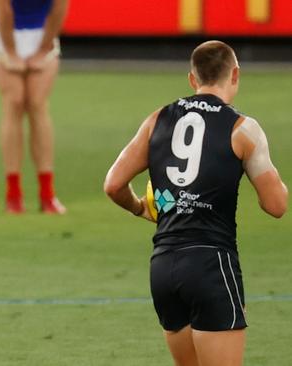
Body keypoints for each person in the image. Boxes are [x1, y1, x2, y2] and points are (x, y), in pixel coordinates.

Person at [104, 40, 287, 366]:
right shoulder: (243, 129)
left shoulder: (157, 119)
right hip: (210, 264)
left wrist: (140, 208)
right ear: (235, 75)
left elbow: (114, 184)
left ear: (192, 78)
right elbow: (276, 206)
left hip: (163, 268)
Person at [0, 0, 69, 214]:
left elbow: (60, 6)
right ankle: (13, 195)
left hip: (42, 31)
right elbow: (3, 7)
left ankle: (47, 194)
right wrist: (10, 52)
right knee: (15, 101)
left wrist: (43, 49)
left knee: (37, 103)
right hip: (2, 31)